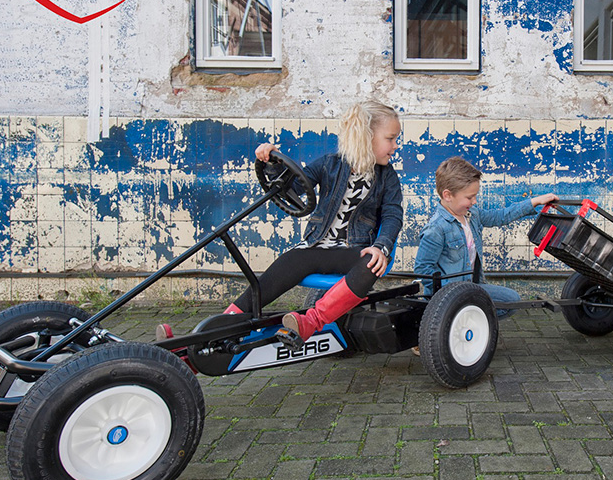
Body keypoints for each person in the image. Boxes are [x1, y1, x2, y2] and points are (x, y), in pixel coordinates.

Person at [156, 101, 403, 348]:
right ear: (366, 137)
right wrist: (273, 165)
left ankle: (311, 321)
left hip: (356, 250)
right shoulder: (329, 164)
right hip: (319, 246)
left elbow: (393, 215)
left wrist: (381, 246)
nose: (395, 146)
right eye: (390, 139)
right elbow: (292, 189)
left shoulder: (387, 177)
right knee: (287, 263)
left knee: (371, 264)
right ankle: (210, 332)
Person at [415, 156, 558, 315]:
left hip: (471, 288)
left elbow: (501, 216)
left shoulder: (472, 214)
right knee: (486, 308)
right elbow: (423, 269)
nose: (474, 201)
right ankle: (457, 321)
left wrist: (535, 201)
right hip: (449, 297)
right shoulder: (436, 228)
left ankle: (471, 320)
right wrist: (447, 295)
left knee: (511, 301)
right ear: (448, 195)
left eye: (475, 196)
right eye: (469, 197)